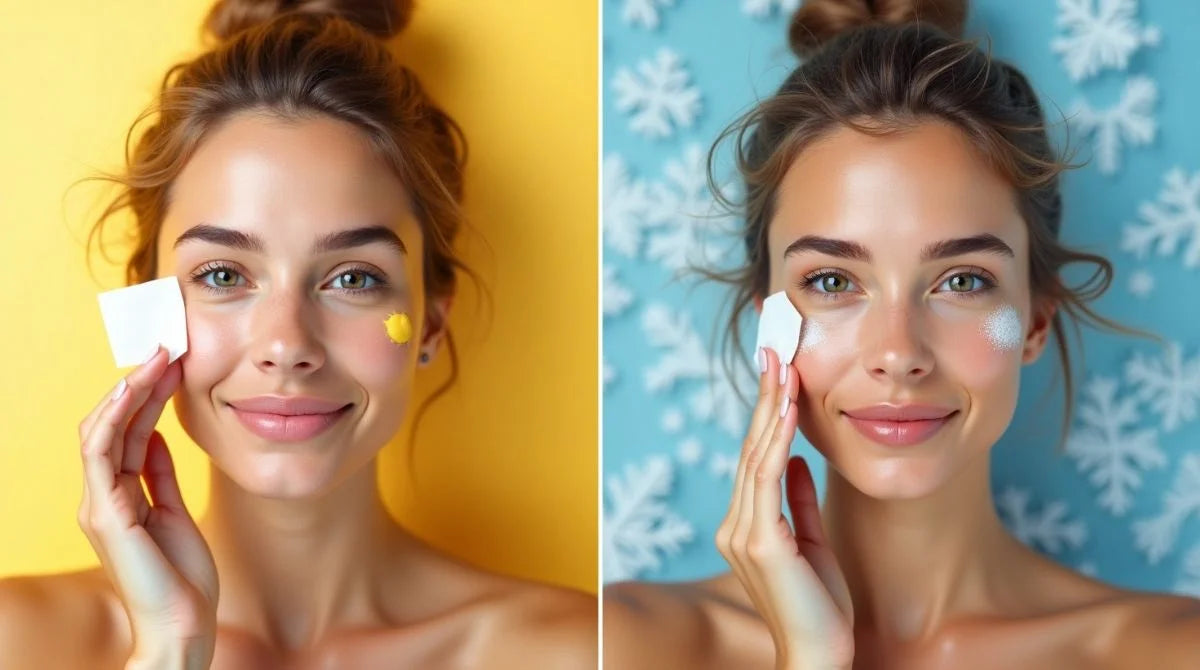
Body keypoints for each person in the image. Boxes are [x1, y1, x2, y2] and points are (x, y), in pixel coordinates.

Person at [604, 1, 1199, 668]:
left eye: (963, 281)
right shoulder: (628, 645)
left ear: (1034, 320)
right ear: (765, 320)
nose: (898, 354)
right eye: (832, 282)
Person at [0, 1, 595, 668]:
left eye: (354, 279)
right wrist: (171, 648)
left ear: (430, 321)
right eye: (224, 274)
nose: (287, 346)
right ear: (148, 306)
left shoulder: (578, 651)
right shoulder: (17, 643)